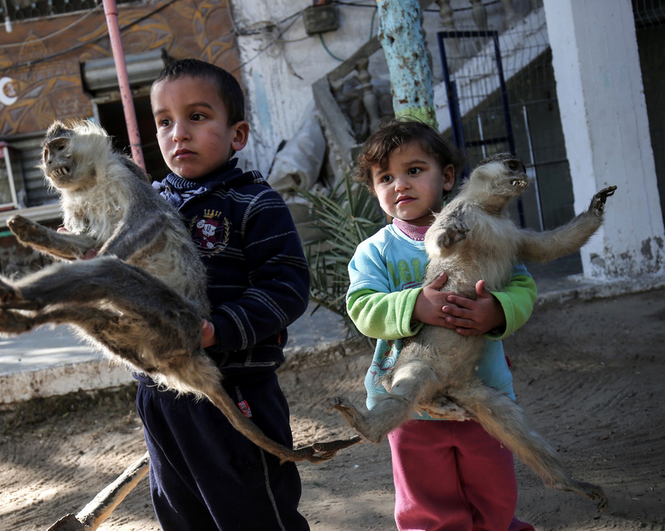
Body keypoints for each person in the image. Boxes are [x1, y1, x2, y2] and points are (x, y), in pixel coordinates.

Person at [135, 58, 311, 531]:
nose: (179, 133)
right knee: (183, 516)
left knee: (254, 515)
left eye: (197, 116)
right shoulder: (143, 208)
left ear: (238, 135)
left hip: (234, 393)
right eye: (165, 121)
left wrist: (219, 329)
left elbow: (286, 288)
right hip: (162, 395)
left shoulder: (254, 204)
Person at [347, 119, 537, 531]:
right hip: (411, 409)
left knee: (496, 498)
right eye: (385, 178)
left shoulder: (481, 231)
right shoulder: (374, 251)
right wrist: (414, 303)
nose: (400, 184)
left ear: (447, 176)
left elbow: (522, 284)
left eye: (414, 171)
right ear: (374, 191)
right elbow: (362, 308)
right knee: (428, 509)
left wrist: (498, 310)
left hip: (482, 398)